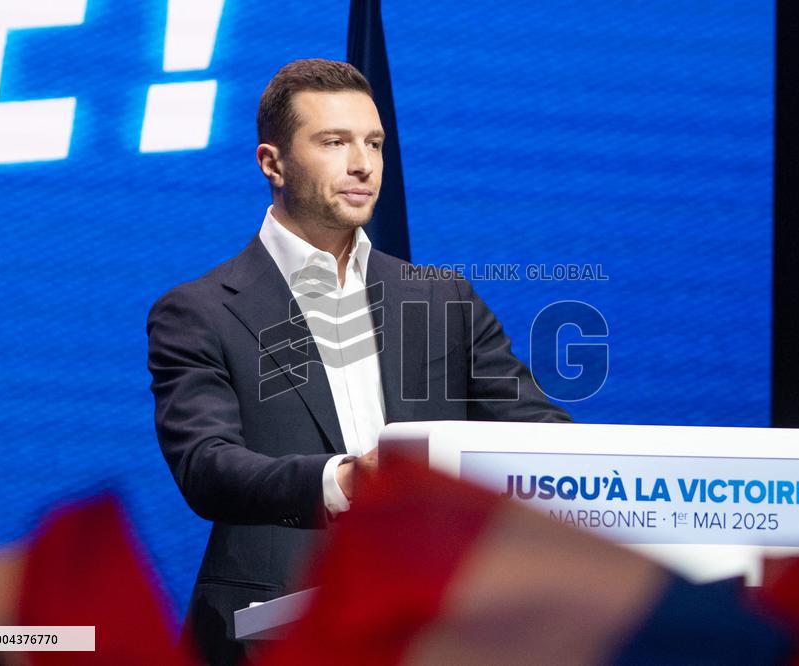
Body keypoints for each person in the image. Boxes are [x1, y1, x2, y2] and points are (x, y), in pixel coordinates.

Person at [147, 58, 572, 665]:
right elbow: (207, 466)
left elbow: (540, 433)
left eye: (373, 142)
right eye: (334, 142)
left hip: (436, 626)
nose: (362, 164)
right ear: (272, 162)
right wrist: (344, 481)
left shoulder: (442, 297)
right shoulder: (200, 311)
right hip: (276, 634)